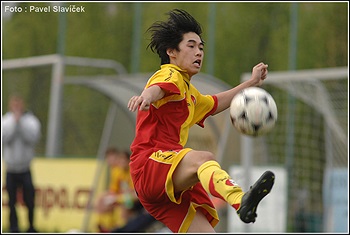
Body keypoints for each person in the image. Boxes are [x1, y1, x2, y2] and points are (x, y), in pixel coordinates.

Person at [127, 9, 275, 233]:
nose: (199, 52)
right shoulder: (171, 74)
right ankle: (239, 199)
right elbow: (156, 89)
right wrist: (145, 97)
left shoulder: (190, 93)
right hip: (151, 164)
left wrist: (252, 83)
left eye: (201, 47)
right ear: (171, 52)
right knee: (203, 158)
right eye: (191, 46)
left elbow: (216, 103)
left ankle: (240, 201)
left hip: (163, 186)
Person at [2, 94, 41, 233]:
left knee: (29, 200)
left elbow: (32, 138)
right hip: (11, 169)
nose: (17, 108)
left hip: (25, 168)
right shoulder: (5, 121)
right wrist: (14, 124)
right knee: (11, 201)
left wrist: (21, 124)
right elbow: (5, 139)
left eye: (19, 105)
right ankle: (14, 227)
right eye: (14, 105)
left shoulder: (31, 121)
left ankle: (31, 226)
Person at [96, 147, 157, 232]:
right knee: (102, 199)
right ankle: (105, 226)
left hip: (138, 199)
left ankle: (122, 228)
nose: (120, 163)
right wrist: (110, 198)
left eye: (123, 161)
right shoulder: (117, 172)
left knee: (125, 204)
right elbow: (114, 190)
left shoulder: (133, 171)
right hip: (127, 197)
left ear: (128, 161)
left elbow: (135, 193)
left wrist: (118, 199)